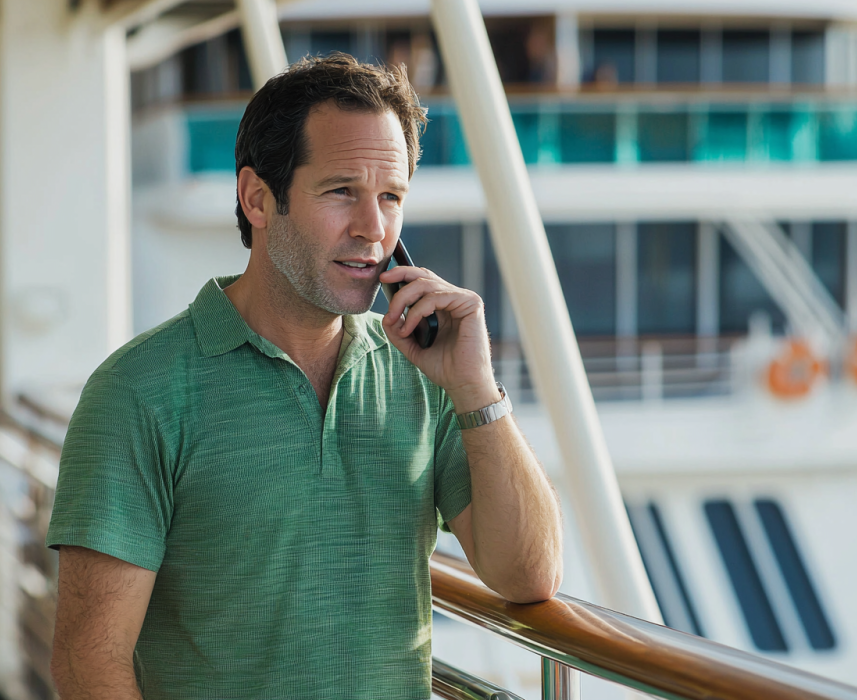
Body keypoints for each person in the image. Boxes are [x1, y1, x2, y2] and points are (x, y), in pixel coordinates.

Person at [47, 53, 563, 700]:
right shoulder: (136, 392)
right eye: (342, 191)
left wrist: (476, 388)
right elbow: (89, 663)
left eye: (391, 197)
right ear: (258, 198)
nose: (373, 229)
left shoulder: (424, 377)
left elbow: (529, 576)